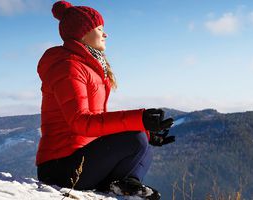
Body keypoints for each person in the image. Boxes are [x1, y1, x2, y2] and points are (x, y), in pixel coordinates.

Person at [36, 1, 175, 199]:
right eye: (100, 28)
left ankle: (126, 185)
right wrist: (139, 120)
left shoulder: (89, 67)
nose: (105, 34)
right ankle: (118, 183)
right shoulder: (68, 68)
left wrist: (147, 131)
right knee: (134, 138)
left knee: (143, 144)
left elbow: (97, 120)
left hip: (80, 158)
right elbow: (80, 121)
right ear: (82, 33)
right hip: (61, 166)